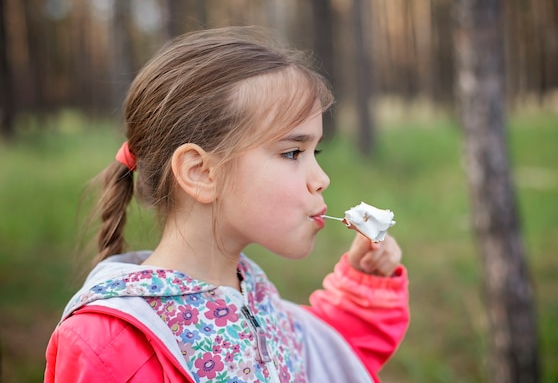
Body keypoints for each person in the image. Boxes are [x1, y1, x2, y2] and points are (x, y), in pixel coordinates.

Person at [44, 27, 409, 383]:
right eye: (292, 152)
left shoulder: (258, 300)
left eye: (316, 150)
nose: (322, 178)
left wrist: (367, 284)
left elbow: (329, 359)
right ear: (201, 172)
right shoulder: (106, 346)